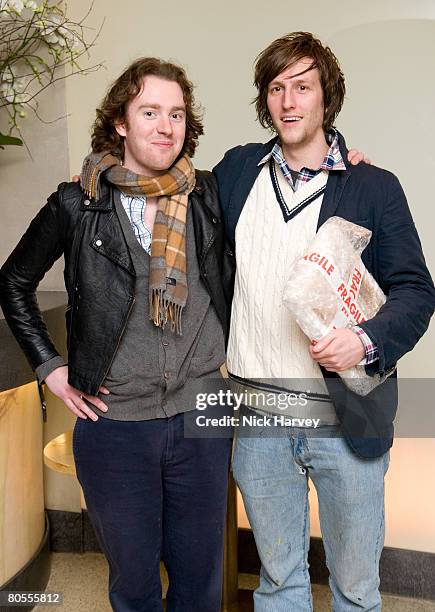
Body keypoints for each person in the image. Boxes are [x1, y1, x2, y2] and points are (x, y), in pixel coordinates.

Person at [0, 57, 233, 612]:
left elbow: (289, 165)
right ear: (121, 124)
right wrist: (51, 370)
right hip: (115, 428)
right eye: (149, 111)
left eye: (176, 114)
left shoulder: (208, 194)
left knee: (201, 585)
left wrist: (347, 156)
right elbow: (13, 282)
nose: (166, 126)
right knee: (134, 588)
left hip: (202, 418)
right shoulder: (77, 203)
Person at [213, 32, 435, 611]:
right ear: (266, 99)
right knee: (278, 583)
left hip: (345, 421)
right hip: (258, 416)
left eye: (303, 87)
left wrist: (363, 340)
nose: (289, 101)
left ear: (325, 98)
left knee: (356, 591)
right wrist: (101, 160)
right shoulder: (237, 171)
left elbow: (416, 291)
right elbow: (164, 185)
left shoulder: (373, 187)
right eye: (277, 88)